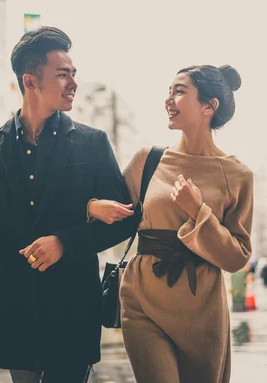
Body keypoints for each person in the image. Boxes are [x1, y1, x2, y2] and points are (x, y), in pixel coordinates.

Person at [0, 26, 135, 383]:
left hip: (73, 305)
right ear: (30, 81)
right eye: (62, 75)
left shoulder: (92, 143)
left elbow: (127, 220)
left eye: (74, 74)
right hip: (14, 303)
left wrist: (65, 241)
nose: (73, 83)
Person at [88, 65, 253, 382]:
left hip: (203, 307)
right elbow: (111, 219)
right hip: (142, 300)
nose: (168, 99)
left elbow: (238, 256)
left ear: (209, 106)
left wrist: (199, 212)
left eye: (179, 91)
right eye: (169, 91)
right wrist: (91, 205)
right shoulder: (147, 160)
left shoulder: (238, 174)